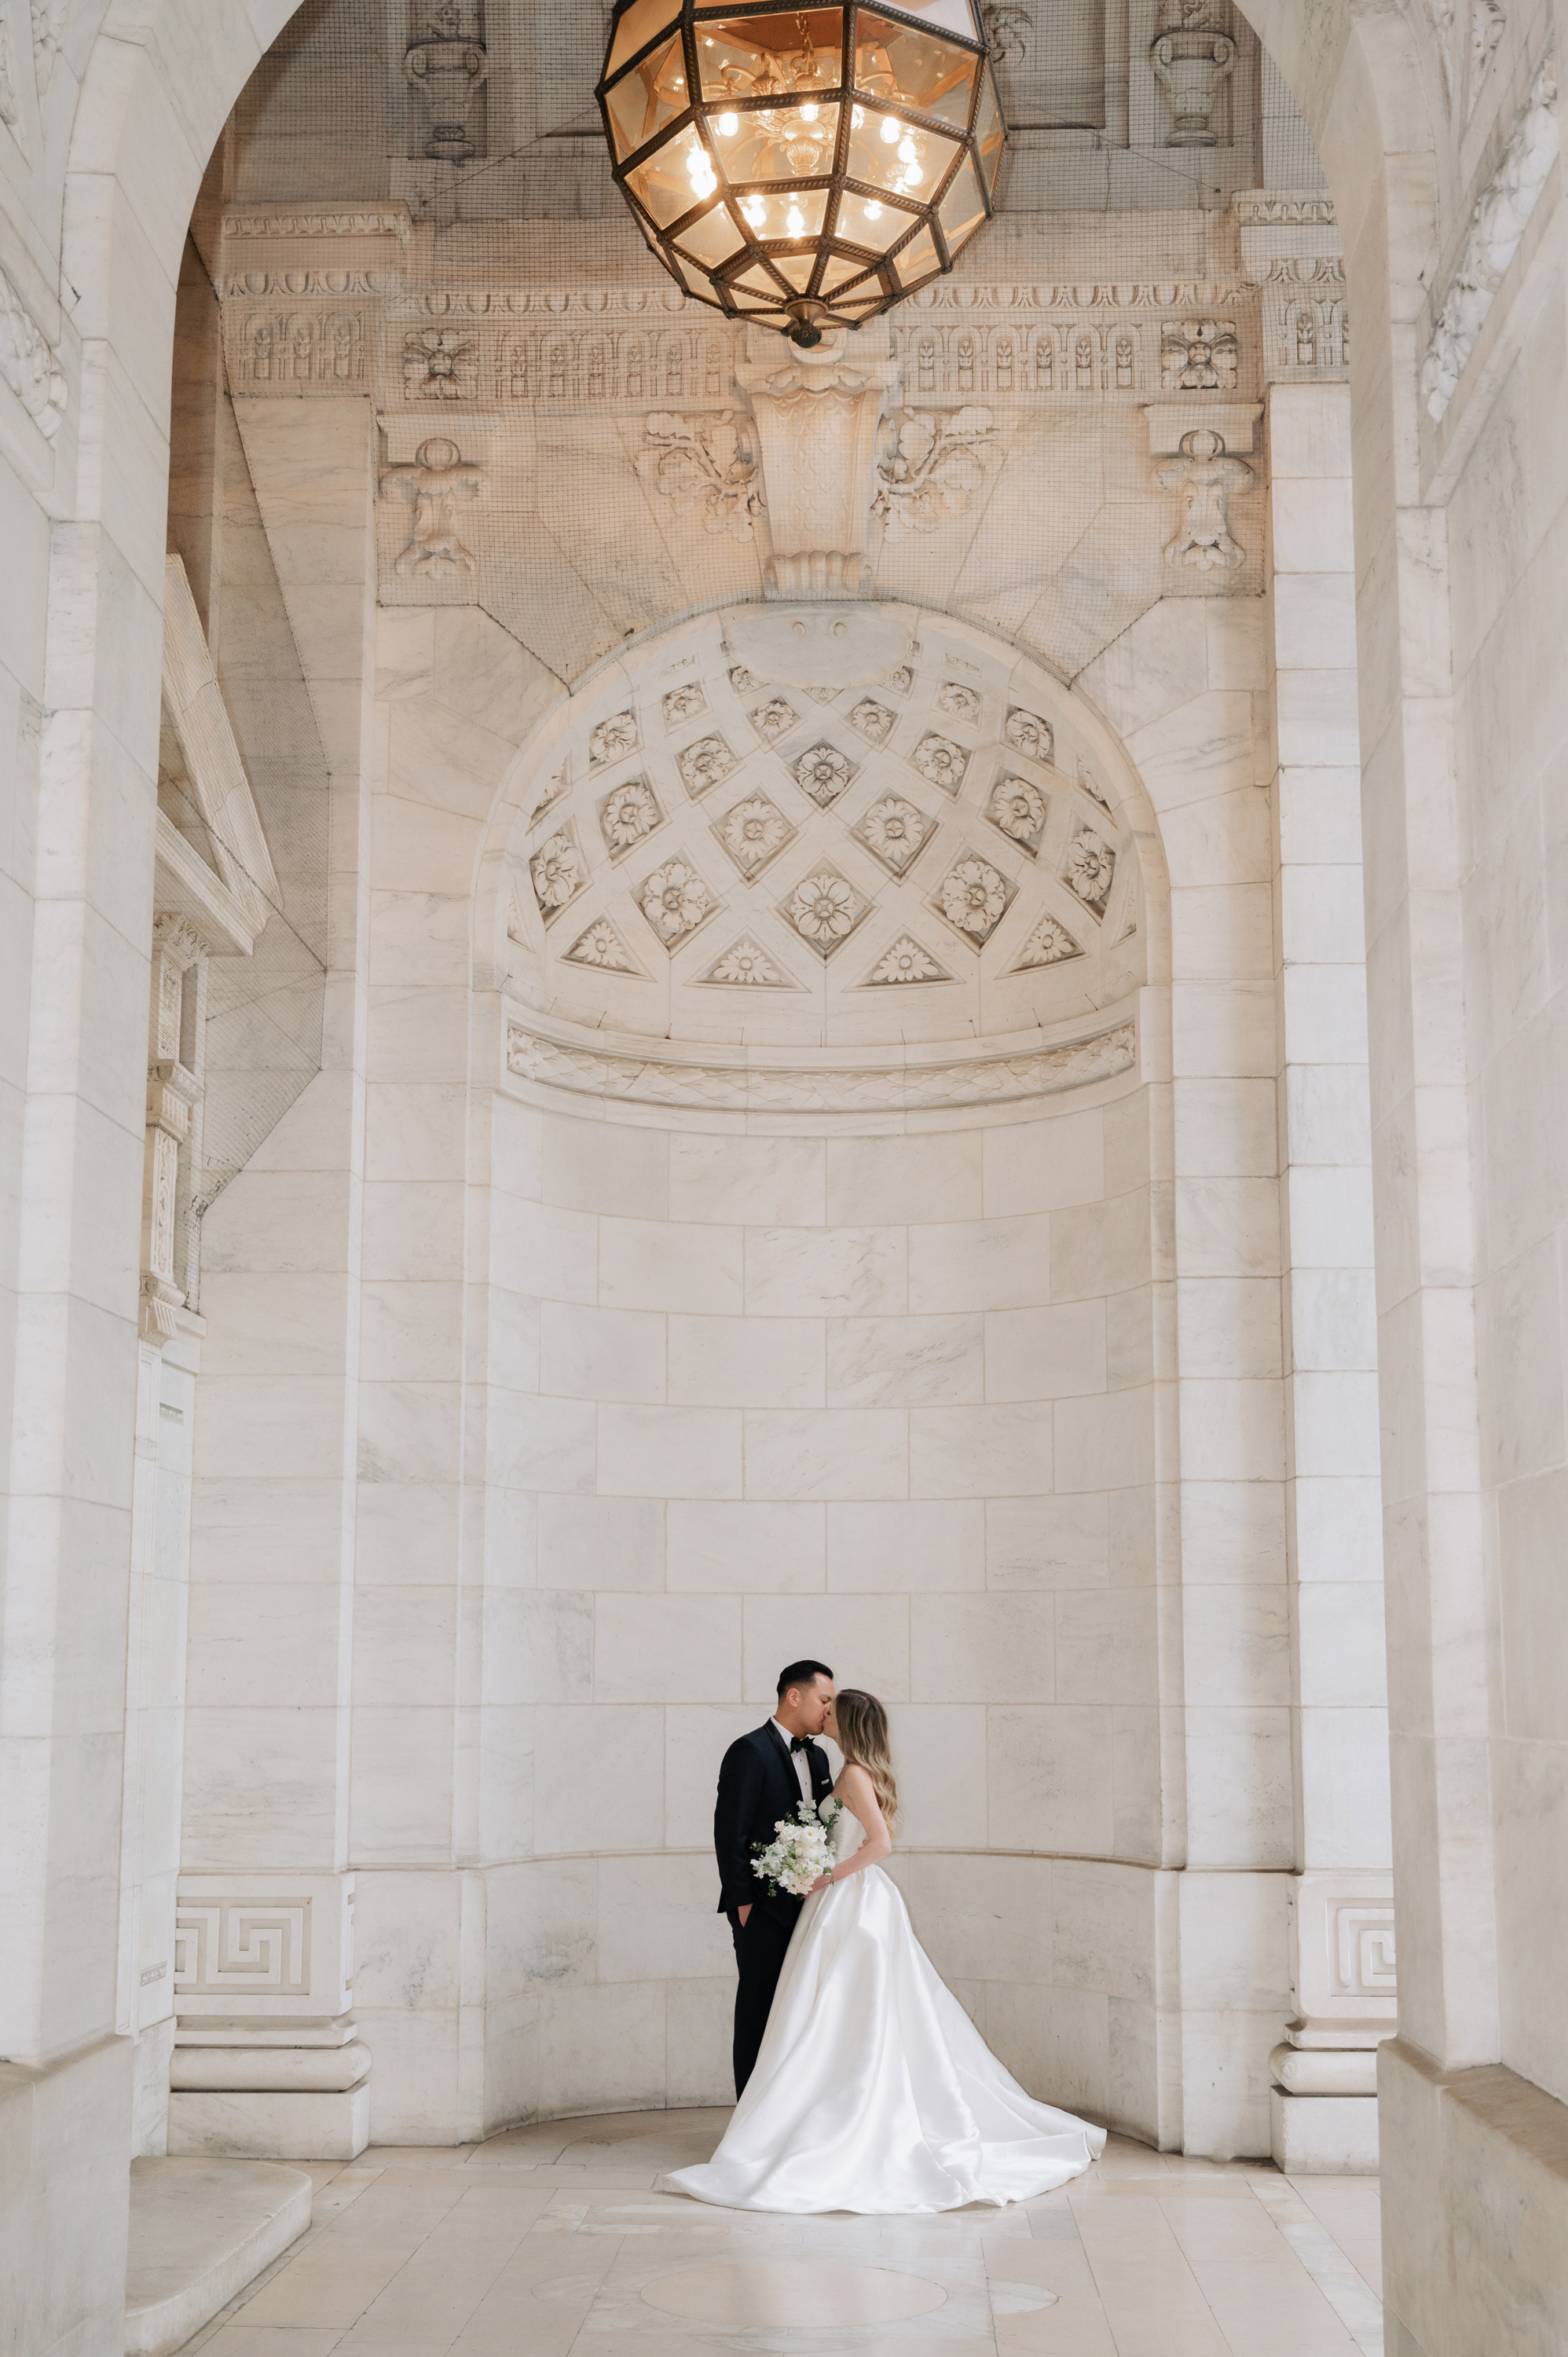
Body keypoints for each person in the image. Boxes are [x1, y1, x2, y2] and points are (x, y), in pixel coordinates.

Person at [669, 1686, 1106, 2214]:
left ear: (847, 1722)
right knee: (834, 2012)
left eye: (832, 1709)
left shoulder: (853, 1774)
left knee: (854, 2010)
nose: (825, 1713)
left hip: (852, 1903)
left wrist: (828, 1875)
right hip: (837, 1902)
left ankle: (855, 2118)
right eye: (823, 1703)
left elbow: (880, 1844)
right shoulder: (840, 1767)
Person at [712, 1659, 837, 2099]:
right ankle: (749, 2114)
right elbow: (730, 1832)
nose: (829, 1710)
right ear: (794, 1696)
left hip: (811, 1909)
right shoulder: (749, 1750)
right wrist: (745, 1905)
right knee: (759, 2010)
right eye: (824, 1700)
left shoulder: (819, 1756)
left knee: (800, 2014)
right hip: (761, 1910)